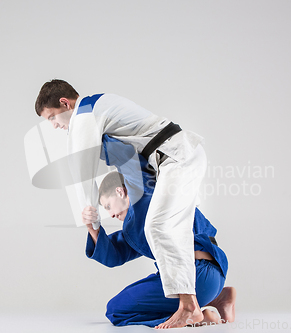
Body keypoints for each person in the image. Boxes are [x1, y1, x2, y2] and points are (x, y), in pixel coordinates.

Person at [36, 79, 209, 328]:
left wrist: (88, 209)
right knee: (167, 226)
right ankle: (211, 298)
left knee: (158, 226)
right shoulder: (99, 107)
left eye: (52, 117)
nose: (54, 125)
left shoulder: (85, 113)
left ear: (65, 103)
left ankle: (189, 306)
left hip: (177, 157)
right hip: (178, 156)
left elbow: (79, 163)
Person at [83, 136, 235, 327]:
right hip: (212, 274)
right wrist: (93, 229)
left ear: (121, 192)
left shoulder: (149, 195)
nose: (111, 214)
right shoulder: (137, 226)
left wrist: (94, 137)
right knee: (125, 302)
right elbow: (116, 254)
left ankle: (196, 316)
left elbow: (128, 161)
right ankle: (219, 297)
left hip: (195, 274)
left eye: (107, 206)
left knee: (116, 310)